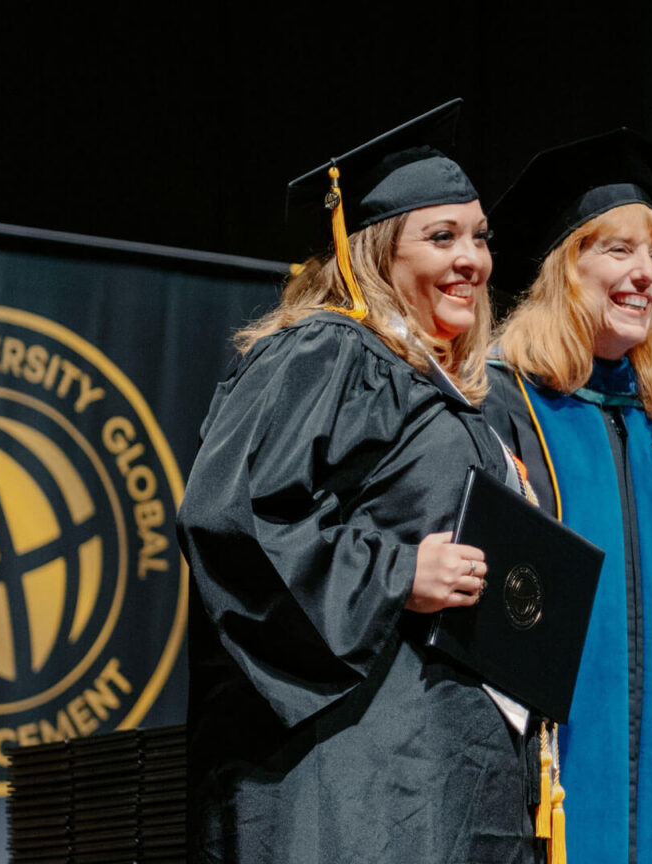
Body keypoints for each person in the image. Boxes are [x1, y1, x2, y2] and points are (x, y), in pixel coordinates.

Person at [177, 100, 542, 864]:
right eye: (440, 237)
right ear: (372, 253)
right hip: (358, 773)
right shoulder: (327, 353)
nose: (470, 259)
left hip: (451, 765)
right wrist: (398, 571)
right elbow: (233, 519)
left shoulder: (460, 392)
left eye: (479, 237)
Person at [483, 129, 652, 864]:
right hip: (546, 799)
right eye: (619, 250)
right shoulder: (504, 409)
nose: (647, 276)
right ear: (568, 266)